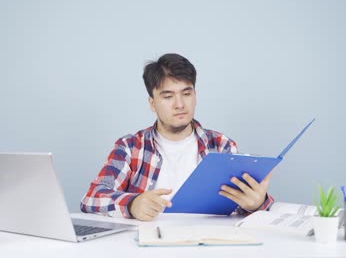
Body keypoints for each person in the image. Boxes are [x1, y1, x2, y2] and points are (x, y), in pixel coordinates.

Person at [80, 53, 274, 221]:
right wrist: (132, 204)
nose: (180, 104)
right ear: (152, 103)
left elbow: (242, 207)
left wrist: (257, 204)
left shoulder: (221, 145)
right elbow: (92, 198)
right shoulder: (130, 147)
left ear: (195, 96)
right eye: (167, 96)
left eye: (186, 93)